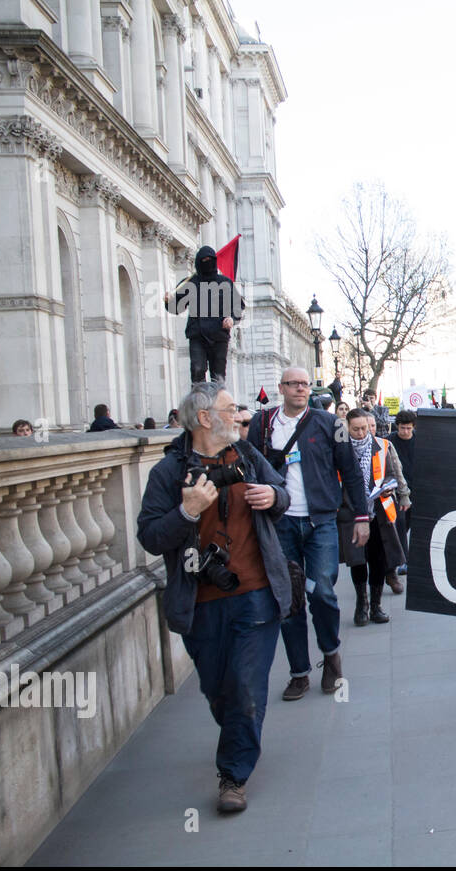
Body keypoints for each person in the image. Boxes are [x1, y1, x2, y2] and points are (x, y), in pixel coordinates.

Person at [136, 381, 292, 812]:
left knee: (245, 687)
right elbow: (150, 536)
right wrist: (187, 511)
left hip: (257, 593)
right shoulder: (168, 472)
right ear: (205, 419)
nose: (240, 416)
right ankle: (241, 732)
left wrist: (272, 496)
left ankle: (233, 775)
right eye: (230, 409)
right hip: (200, 601)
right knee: (220, 692)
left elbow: (284, 492)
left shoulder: (245, 455)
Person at [247, 367, 369, 702]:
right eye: (293, 384)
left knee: (323, 593)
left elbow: (352, 471)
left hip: (321, 523)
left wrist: (362, 516)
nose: (300, 389)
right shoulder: (262, 424)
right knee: (289, 600)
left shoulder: (330, 424)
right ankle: (299, 672)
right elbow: (249, 468)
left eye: (304, 384)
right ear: (281, 388)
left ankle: (331, 653)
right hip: (279, 524)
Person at [339, 409, 410, 623]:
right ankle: (362, 604)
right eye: (356, 429)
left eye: (365, 428)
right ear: (348, 428)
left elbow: (394, 473)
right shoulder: (340, 449)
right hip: (352, 511)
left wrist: (394, 488)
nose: (362, 433)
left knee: (378, 558)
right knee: (358, 560)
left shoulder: (383, 445)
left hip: (380, 509)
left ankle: (376, 607)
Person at [165, 245, 243, 383]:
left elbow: (238, 306)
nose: (207, 263)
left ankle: (218, 403)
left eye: (209, 260)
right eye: (203, 260)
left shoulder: (225, 282)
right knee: (197, 370)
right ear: (198, 262)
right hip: (197, 335)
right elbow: (176, 308)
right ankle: (198, 403)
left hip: (219, 336)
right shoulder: (190, 283)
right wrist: (168, 301)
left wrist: (231, 318)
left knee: (218, 376)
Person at [388, 409, 417, 579]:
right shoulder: (389, 441)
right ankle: (403, 560)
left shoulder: (420, 439)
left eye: (408, 428)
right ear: (397, 426)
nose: (405, 431)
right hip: (399, 492)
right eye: (402, 428)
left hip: (417, 489)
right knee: (400, 525)